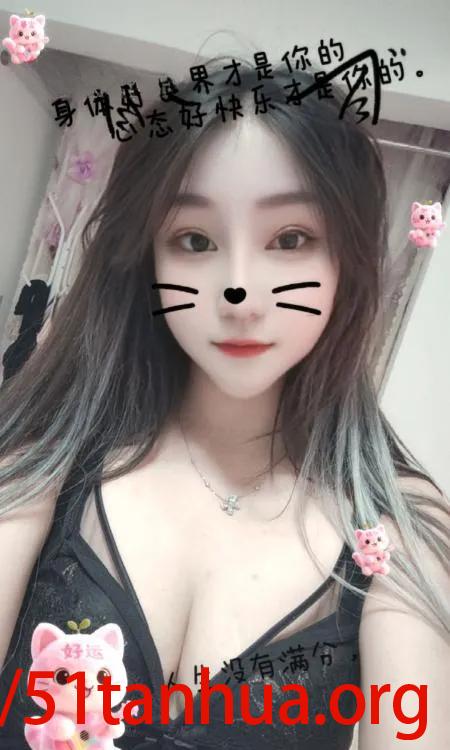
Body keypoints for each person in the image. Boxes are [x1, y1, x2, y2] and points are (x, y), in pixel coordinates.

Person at [0, 57, 448, 750]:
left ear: (348, 260)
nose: (239, 293)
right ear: (147, 259)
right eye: (195, 240)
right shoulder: (46, 459)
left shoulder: (399, 520)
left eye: (291, 239)